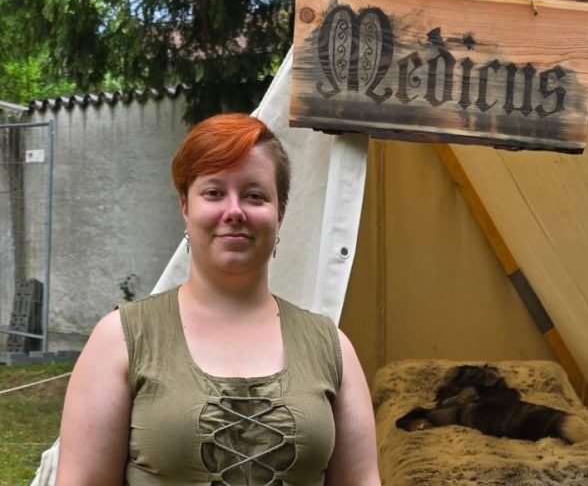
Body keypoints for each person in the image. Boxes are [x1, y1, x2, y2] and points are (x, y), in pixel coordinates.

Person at [56, 113, 381, 485]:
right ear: (185, 206)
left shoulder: (331, 349)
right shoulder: (120, 340)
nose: (234, 211)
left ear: (280, 212)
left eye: (254, 195)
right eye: (214, 193)